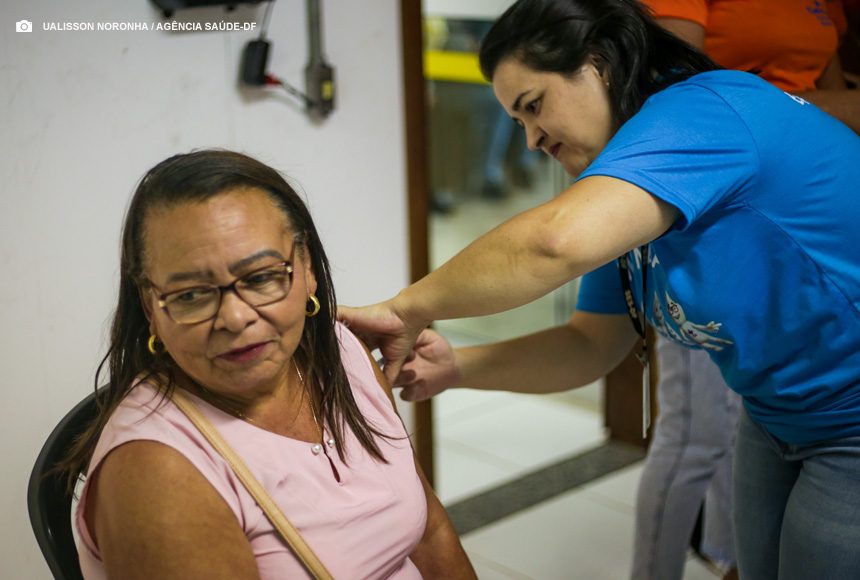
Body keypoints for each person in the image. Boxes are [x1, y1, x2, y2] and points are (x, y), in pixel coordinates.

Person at [338, 0, 860, 578]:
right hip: (777, 415)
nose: (532, 139)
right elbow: (589, 344)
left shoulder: (704, 112)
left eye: (534, 106)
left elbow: (552, 243)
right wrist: (455, 368)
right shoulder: (630, 189)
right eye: (517, 122)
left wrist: (405, 308)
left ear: (599, 63)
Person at [58, 150, 476, 579]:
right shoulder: (156, 473)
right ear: (151, 307)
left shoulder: (342, 351)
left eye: (259, 278)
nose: (235, 318)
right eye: (191, 295)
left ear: (307, 268)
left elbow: (430, 532)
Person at [631, 1, 859, 578]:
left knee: (731, 432)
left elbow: (828, 94)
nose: (535, 139)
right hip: (709, 217)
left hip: (792, 232)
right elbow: (673, 90)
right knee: (695, 435)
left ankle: (723, 558)